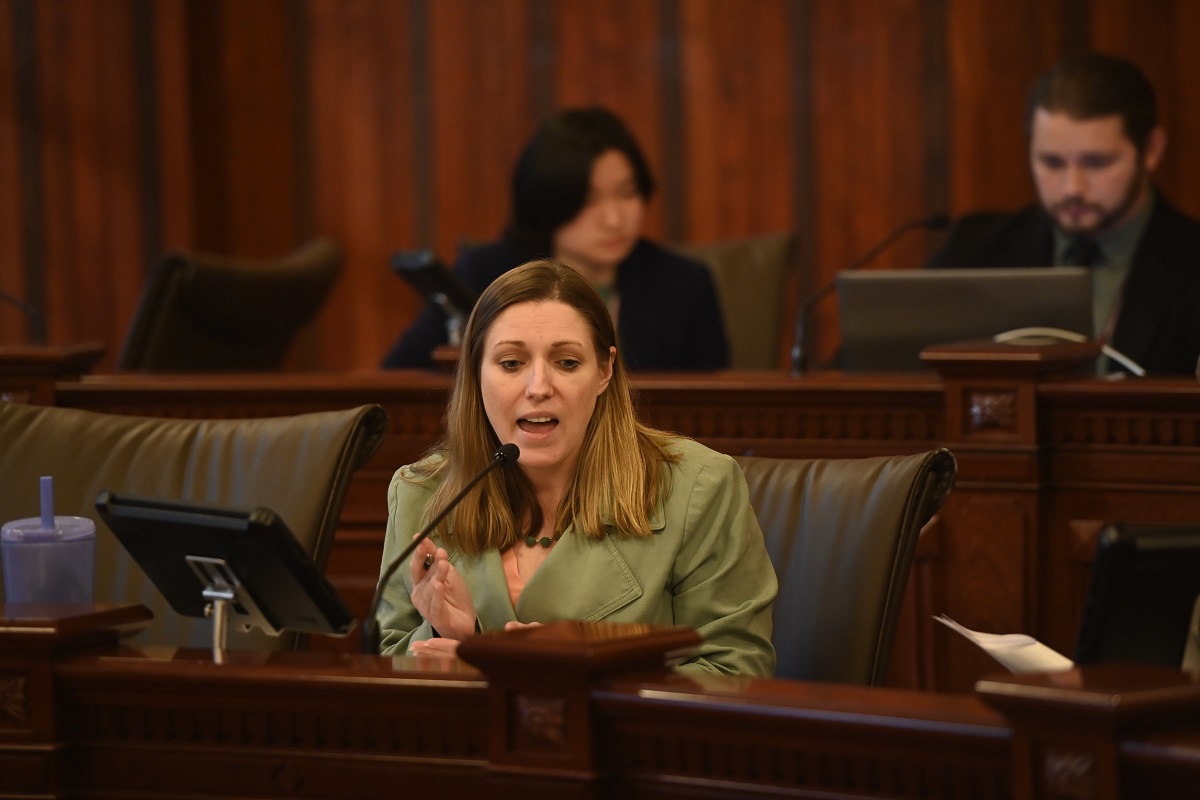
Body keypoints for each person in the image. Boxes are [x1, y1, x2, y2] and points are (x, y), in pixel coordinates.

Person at [374, 259, 776, 676]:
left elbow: (737, 670)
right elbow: (384, 666)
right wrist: (454, 638)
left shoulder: (698, 489)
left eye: (566, 363)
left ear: (604, 370)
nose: (538, 388)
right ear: (476, 372)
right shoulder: (422, 493)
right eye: (511, 363)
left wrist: (572, 678)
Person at [381, 106, 730, 372]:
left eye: (627, 193)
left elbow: (716, 406)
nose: (614, 219)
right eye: (589, 200)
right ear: (548, 203)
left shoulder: (685, 284)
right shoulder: (484, 275)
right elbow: (400, 377)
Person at [926, 52, 1200, 376]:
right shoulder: (973, 251)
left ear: (1151, 151)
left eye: (1097, 163)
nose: (1072, 188)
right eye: (1052, 163)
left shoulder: (1191, 259)